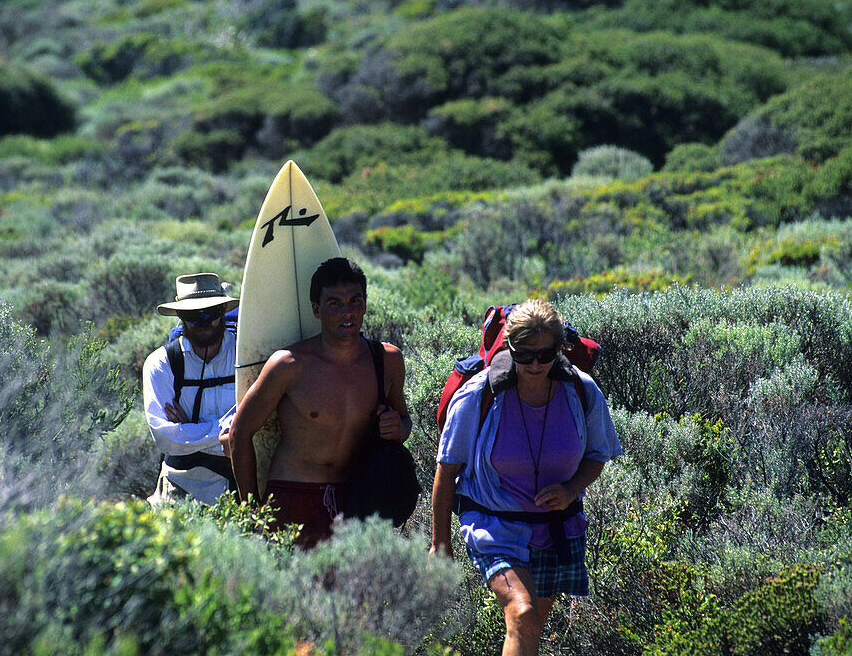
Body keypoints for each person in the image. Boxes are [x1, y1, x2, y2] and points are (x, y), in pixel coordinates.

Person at [430, 300, 622, 656]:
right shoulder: (478, 396)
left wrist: (570, 490)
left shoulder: (581, 391)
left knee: (528, 628)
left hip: (555, 529)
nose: (535, 364)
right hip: (494, 526)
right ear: (508, 348)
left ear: (561, 348)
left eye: (546, 354)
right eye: (524, 355)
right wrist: (440, 543)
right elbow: (446, 469)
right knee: (524, 612)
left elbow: (597, 455)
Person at [229, 257, 410, 548]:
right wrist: (251, 514)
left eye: (355, 301)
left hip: (356, 500)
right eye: (335, 303)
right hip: (293, 497)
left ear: (364, 304)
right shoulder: (289, 365)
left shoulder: (386, 360)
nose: (347, 312)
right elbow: (239, 433)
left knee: (355, 592)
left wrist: (398, 428)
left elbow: (404, 421)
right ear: (316, 309)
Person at [143, 272, 240, 506]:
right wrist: (229, 430)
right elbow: (166, 439)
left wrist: (188, 430)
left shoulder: (245, 357)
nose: (204, 322)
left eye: (211, 313)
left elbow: (264, 424)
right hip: (181, 484)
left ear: (224, 310)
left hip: (240, 482)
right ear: (180, 316)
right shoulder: (162, 364)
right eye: (194, 316)